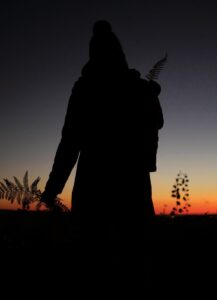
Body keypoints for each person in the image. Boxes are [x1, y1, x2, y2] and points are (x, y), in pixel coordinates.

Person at [41, 20, 164, 291]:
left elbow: (69, 142)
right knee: (135, 256)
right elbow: (157, 123)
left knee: (93, 258)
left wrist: (52, 189)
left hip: (93, 182)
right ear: (120, 54)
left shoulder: (86, 89)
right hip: (133, 181)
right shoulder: (136, 87)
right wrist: (149, 95)